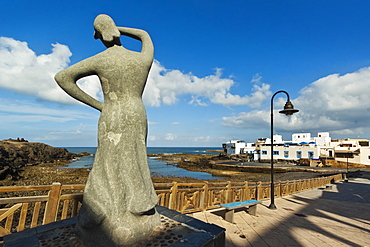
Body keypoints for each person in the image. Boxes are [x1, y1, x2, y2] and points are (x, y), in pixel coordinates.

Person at [55, 14, 159, 246]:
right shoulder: (140, 59)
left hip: (112, 114)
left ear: (100, 35)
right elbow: (145, 35)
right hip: (136, 113)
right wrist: (117, 28)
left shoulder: (101, 59)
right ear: (115, 31)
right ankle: (139, 206)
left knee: (107, 162)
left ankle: (98, 211)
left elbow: (62, 77)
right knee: (136, 158)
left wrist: (99, 105)